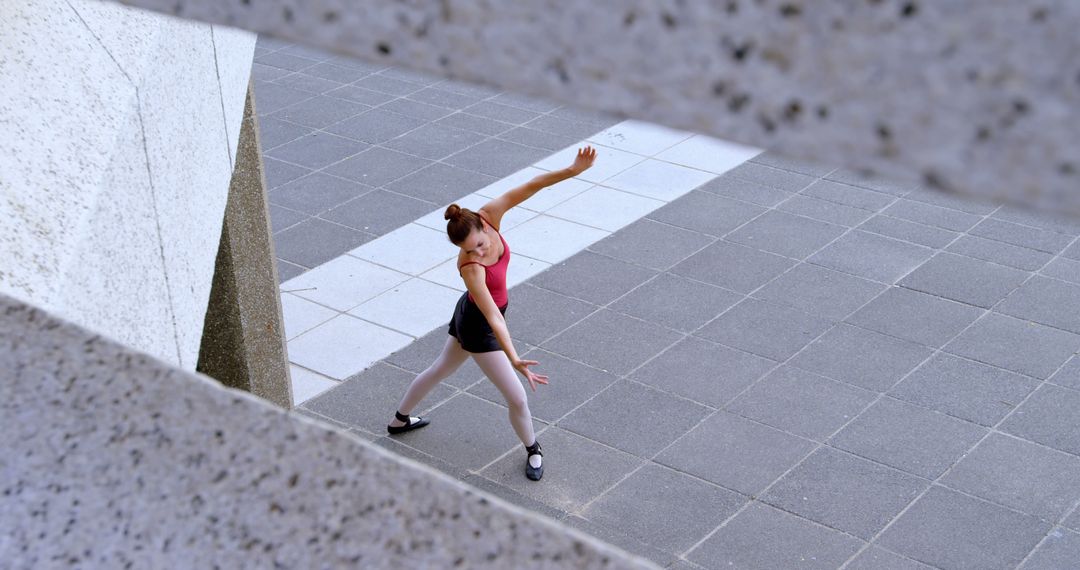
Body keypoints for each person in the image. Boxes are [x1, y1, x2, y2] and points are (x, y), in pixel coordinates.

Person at [387, 145, 598, 481]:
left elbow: (533, 185)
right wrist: (514, 358)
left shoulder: (489, 214)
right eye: (468, 250)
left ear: (483, 226)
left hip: (471, 313)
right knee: (516, 396)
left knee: (440, 368)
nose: (478, 251)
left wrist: (572, 171)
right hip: (479, 324)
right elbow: (493, 317)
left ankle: (399, 420)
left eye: (479, 244)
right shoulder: (470, 268)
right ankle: (533, 449)